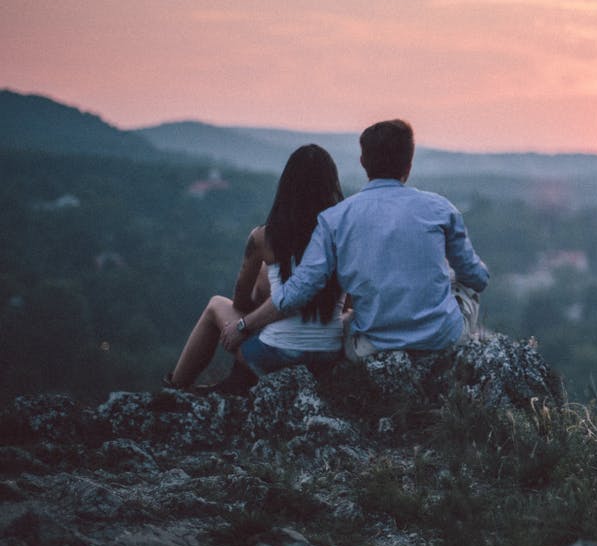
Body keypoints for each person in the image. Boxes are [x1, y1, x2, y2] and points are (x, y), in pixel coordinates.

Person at [221, 119, 489, 360]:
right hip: (440, 339)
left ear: (363, 162)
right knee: (459, 280)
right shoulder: (441, 209)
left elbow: (301, 288)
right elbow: (478, 279)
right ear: (409, 165)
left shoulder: (334, 219)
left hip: (371, 347)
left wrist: (244, 325)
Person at [165, 144, 347, 391]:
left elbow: (239, 300)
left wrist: (256, 307)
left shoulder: (265, 237)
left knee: (216, 305)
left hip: (274, 355)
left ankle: (175, 388)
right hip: (328, 354)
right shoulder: (343, 236)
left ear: (287, 186)